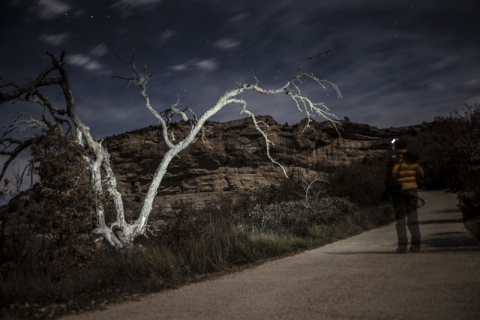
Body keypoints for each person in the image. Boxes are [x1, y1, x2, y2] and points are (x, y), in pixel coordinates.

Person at [391, 150, 424, 253]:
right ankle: (416, 245)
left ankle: (402, 246)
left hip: (401, 193)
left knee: (401, 220)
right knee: (413, 219)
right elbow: (421, 174)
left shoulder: (399, 164)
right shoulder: (416, 165)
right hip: (413, 193)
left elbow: (393, 174)